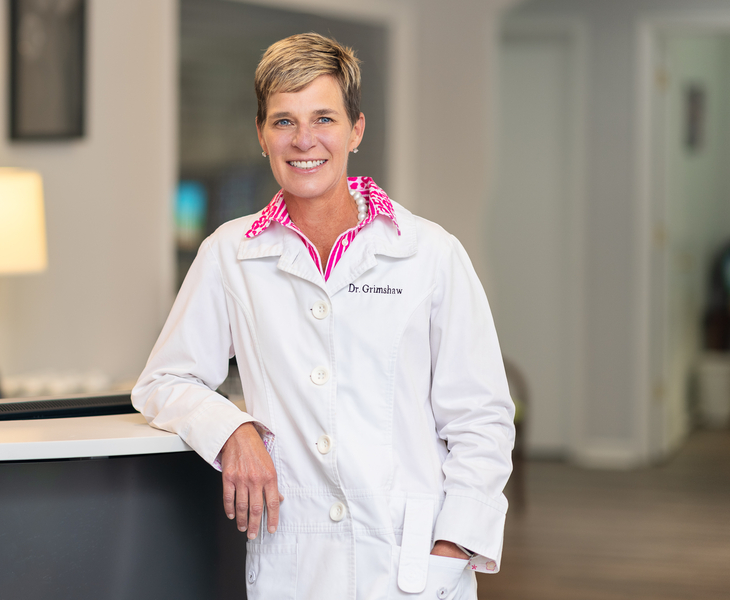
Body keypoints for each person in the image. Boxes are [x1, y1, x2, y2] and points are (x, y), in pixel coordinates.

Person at [132, 32, 514, 600]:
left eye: (324, 119)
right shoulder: (228, 254)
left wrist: (454, 545)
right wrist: (232, 429)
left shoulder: (431, 254)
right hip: (296, 562)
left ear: (356, 130)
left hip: (411, 564)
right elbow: (165, 380)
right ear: (261, 135)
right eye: (283, 121)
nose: (303, 140)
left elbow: (481, 418)